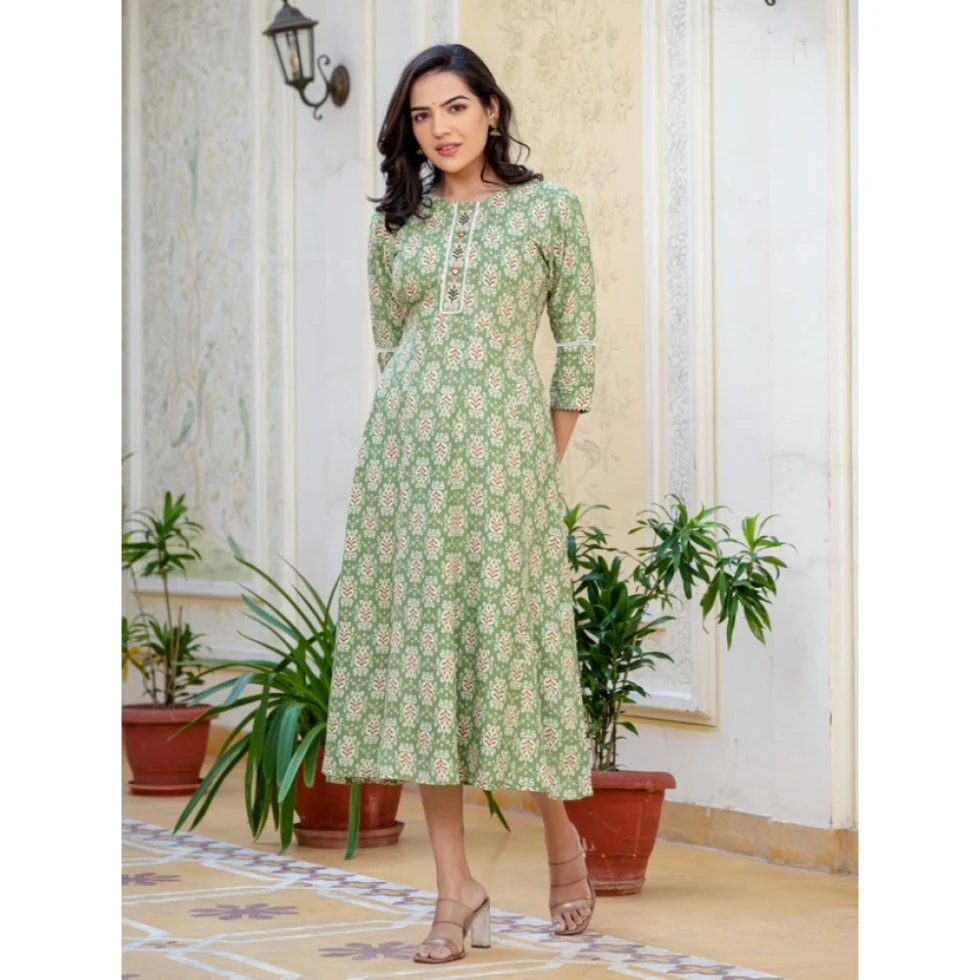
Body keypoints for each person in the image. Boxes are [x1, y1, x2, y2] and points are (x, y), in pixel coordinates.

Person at [320, 42, 598, 965]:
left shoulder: (549, 211)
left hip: (507, 471)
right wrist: (410, 452)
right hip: (407, 470)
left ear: (490, 109)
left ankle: (562, 841)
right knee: (425, 675)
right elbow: (392, 350)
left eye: (454, 108)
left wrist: (537, 467)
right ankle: (455, 891)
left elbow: (578, 353)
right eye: (420, 116)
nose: (438, 129)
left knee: (513, 660)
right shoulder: (396, 226)